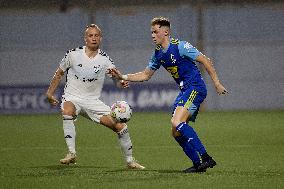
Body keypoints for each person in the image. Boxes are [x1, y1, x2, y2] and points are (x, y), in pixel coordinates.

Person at [109, 17, 228, 173]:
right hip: (185, 91)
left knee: (176, 121)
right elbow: (145, 75)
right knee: (176, 131)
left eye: (155, 32)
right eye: (151, 32)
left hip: (195, 88)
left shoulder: (181, 46)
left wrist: (217, 83)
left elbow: (205, 60)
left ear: (165, 32)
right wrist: (123, 76)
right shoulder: (158, 53)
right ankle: (198, 164)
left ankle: (206, 158)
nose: (152, 35)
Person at [46, 24, 145, 169]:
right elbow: (59, 73)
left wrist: (121, 83)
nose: (93, 38)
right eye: (90, 36)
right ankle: (71, 153)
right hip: (72, 97)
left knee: (121, 126)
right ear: (85, 39)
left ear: (100, 38)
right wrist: (49, 93)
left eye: (96, 35)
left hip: (92, 102)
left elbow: (116, 79)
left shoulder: (105, 60)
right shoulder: (72, 54)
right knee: (67, 111)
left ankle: (130, 161)